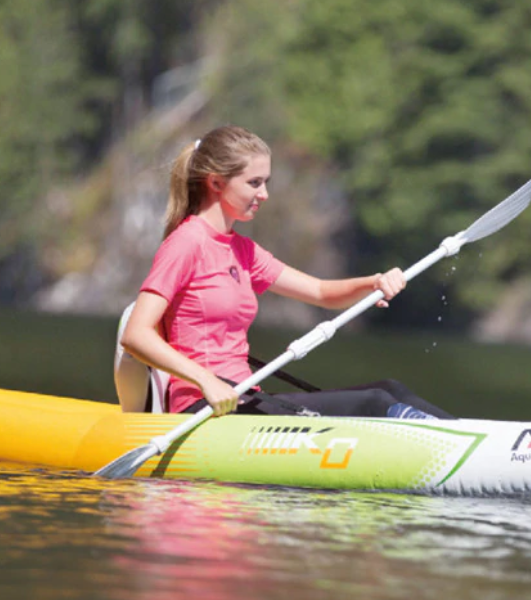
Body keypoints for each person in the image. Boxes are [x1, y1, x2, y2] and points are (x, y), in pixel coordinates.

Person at [119, 125, 453, 420]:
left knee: (389, 389)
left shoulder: (243, 251)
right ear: (217, 183)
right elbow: (136, 335)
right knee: (375, 403)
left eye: (265, 182)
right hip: (203, 410)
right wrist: (206, 380)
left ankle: (476, 439)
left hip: (246, 400)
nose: (264, 194)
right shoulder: (187, 242)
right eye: (254, 183)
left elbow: (321, 292)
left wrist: (374, 283)